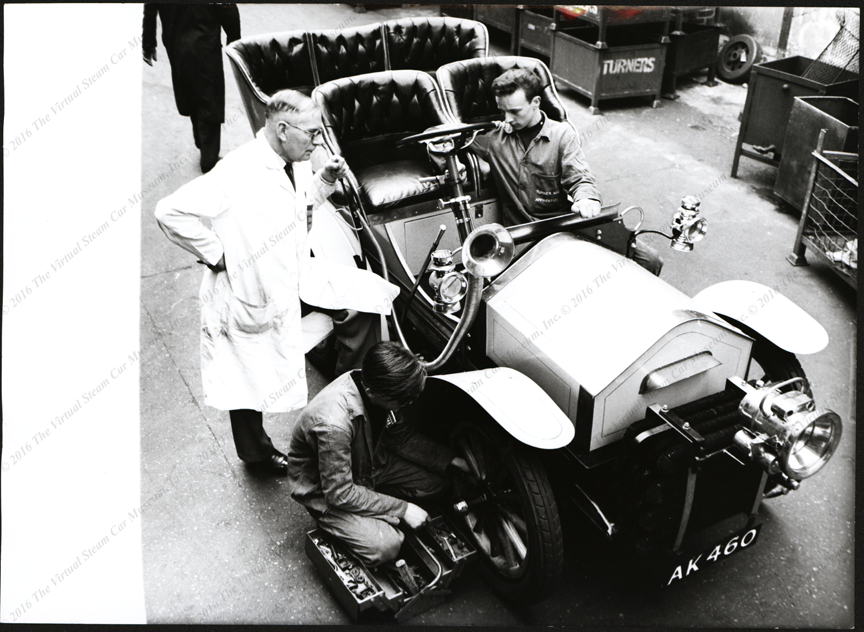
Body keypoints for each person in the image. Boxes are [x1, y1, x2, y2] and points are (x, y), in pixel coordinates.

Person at [155, 90, 399, 476]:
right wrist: (218, 256)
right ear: (282, 129)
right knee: (245, 373)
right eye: (311, 133)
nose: (317, 142)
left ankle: (352, 406)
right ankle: (256, 453)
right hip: (250, 288)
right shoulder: (236, 171)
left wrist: (324, 181)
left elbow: (298, 208)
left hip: (293, 274)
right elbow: (169, 212)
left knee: (364, 303)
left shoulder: (294, 160)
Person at [434, 67, 662, 275]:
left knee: (650, 260)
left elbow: (581, 178)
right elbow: (438, 138)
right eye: (502, 111)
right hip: (523, 238)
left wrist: (587, 198)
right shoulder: (492, 138)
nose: (507, 119)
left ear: (536, 102)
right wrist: (449, 162)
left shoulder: (563, 136)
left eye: (515, 111)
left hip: (563, 228)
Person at [287, 341, 470, 566]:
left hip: (366, 462)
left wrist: (449, 459)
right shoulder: (333, 425)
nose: (407, 404)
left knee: (436, 482)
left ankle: (373, 507)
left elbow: (400, 437)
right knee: (386, 547)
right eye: (402, 401)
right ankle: (342, 524)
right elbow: (340, 494)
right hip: (326, 490)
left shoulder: (381, 387)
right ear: (373, 392)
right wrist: (403, 509)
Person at [143, 4, 241, 173]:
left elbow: (150, 7)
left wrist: (148, 43)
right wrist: (234, 38)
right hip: (205, 42)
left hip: (176, 42)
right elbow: (226, 7)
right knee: (209, 94)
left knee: (189, 88)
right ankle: (209, 158)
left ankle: (202, 143)